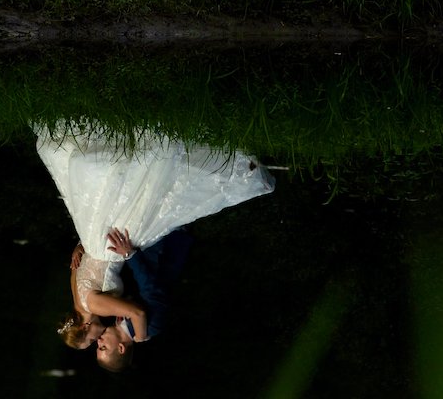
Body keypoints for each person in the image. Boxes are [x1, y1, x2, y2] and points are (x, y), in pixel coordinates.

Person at [34, 123, 275, 366]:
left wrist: (141, 337)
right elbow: (77, 266)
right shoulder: (78, 298)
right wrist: (80, 246)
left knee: (152, 196)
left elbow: (136, 312)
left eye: (92, 342)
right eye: (99, 346)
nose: (97, 341)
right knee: (137, 196)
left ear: (86, 327)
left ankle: (218, 161)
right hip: (95, 239)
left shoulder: (97, 306)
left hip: (117, 248)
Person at [95, 226, 193, 373]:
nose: (98, 341)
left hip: (141, 241)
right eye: (103, 347)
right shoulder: (152, 327)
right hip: (165, 243)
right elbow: (151, 288)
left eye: (97, 346)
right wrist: (129, 254)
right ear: (121, 348)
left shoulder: (117, 318)